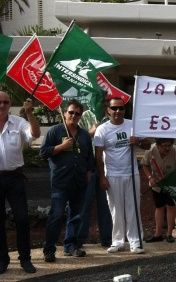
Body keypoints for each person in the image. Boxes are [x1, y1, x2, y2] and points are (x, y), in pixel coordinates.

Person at [40, 99, 94, 262]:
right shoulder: (55, 131)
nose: (74, 116)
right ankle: (49, 249)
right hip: (61, 182)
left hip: (79, 182)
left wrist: (89, 173)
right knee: (56, 215)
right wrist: (61, 147)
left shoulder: (84, 134)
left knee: (76, 215)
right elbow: (43, 152)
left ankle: (71, 246)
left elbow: (89, 157)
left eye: (77, 113)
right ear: (65, 113)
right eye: (71, 112)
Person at [94, 97, 149, 254]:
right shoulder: (102, 129)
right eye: (114, 108)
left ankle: (135, 242)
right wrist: (102, 177)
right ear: (108, 110)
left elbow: (147, 144)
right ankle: (118, 241)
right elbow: (98, 156)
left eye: (121, 108)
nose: (118, 111)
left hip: (131, 173)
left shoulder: (132, 125)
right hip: (112, 174)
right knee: (116, 210)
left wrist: (137, 141)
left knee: (133, 208)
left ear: (125, 110)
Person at [0, 93, 39, 273]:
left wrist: (30, 114)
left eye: (6, 102)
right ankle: (2, 260)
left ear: (11, 104)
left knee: (22, 219)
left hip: (15, 177)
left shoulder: (19, 122)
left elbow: (35, 134)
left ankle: (25, 259)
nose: (2, 105)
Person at [69, 105, 112, 249]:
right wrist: (93, 130)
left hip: (105, 169)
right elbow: (76, 138)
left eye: (103, 100)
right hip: (88, 169)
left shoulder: (111, 118)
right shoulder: (85, 115)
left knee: (105, 206)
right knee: (84, 206)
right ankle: (78, 242)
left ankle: (108, 239)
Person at [142, 138, 176, 244]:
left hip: (173, 184)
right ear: (158, 145)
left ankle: (169, 234)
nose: (167, 148)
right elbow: (145, 164)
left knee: (171, 207)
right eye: (164, 146)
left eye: (169, 145)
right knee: (159, 207)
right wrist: (150, 177)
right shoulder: (150, 150)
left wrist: (173, 180)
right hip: (157, 184)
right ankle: (158, 234)